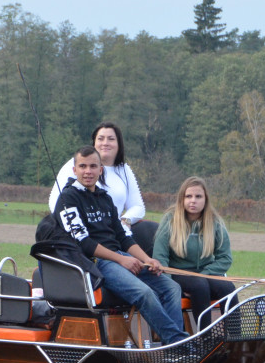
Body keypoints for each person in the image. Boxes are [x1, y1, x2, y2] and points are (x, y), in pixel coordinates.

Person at [53, 146, 188, 346]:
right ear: (74, 170)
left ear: (101, 170)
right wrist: (121, 259)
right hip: (97, 263)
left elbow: (124, 237)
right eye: (82, 166)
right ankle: (179, 344)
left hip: (120, 256)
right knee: (144, 293)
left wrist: (147, 260)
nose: (88, 171)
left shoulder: (105, 198)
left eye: (93, 166)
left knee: (172, 288)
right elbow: (84, 243)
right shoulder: (67, 199)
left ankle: (172, 345)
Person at [152, 176, 236, 328]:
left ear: (205, 199)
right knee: (199, 285)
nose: (193, 201)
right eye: (188, 196)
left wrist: (206, 273)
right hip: (177, 273)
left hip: (204, 272)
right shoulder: (170, 220)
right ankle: (205, 337)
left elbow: (225, 258)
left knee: (228, 287)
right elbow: (160, 256)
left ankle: (234, 340)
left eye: (198, 197)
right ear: (182, 199)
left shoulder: (215, 222)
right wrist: (169, 284)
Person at [48, 122, 149, 244]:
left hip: (113, 236)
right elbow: (56, 202)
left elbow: (138, 206)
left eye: (111, 139)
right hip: (82, 237)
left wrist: (125, 220)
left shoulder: (124, 170)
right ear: (94, 143)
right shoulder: (74, 165)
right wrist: (78, 229)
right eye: (101, 139)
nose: (105, 143)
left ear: (118, 144)